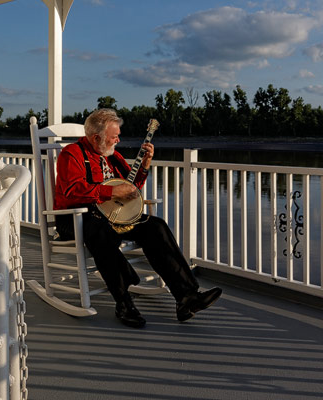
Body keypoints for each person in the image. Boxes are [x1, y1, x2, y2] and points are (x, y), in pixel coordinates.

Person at [53, 108, 222, 328]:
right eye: (114, 136)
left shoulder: (112, 156)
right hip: (74, 217)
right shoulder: (71, 154)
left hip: (111, 214)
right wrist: (112, 192)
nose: (118, 140)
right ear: (96, 138)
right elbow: (72, 191)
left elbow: (132, 189)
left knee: (155, 226)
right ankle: (123, 302)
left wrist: (145, 165)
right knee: (100, 232)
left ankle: (187, 297)